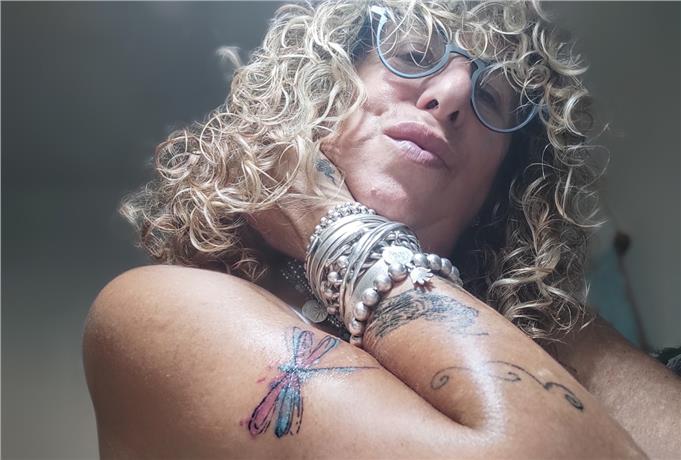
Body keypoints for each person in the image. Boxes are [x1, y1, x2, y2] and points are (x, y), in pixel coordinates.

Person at [83, 1, 680, 458]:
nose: (451, 95)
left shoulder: (546, 337)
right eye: (414, 56)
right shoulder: (157, 311)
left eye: (492, 100)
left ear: (500, 188)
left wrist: (546, 319)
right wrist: (330, 223)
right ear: (321, 90)